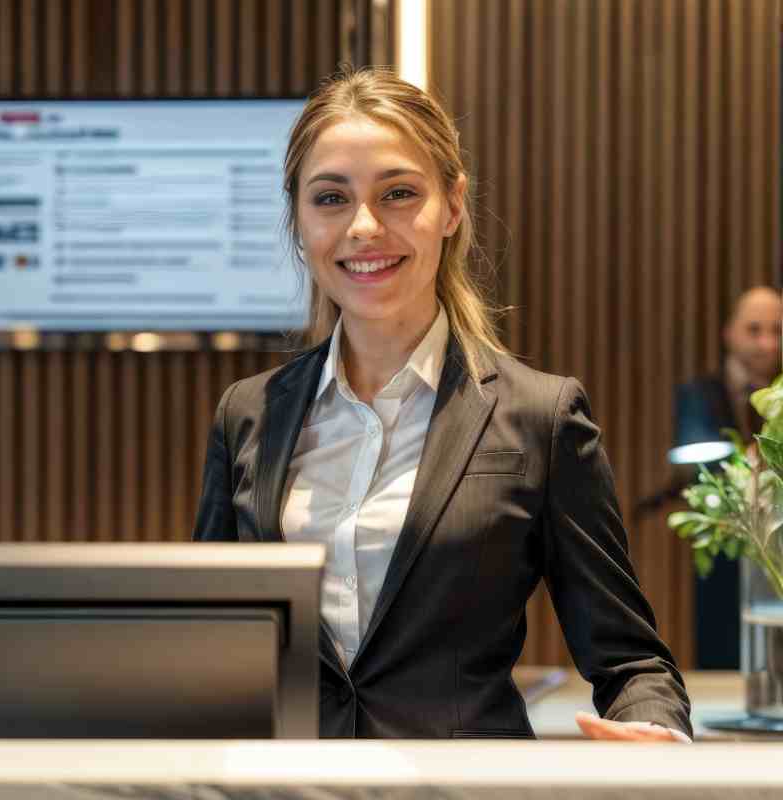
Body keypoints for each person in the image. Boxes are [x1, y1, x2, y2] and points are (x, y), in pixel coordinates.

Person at [192, 67, 691, 740]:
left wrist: (655, 734)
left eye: (399, 194)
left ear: (452, 206)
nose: (364, 227)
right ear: (300, 220)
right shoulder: (247, 415)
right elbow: (207, 640)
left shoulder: (540, 418)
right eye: (331, 198)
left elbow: (631, 662)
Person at [675, 286, 782, 669]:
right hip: (725, 560)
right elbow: (695, 467)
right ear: (730, 333)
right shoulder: (698, 394)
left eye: (777, 330)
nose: (767, 343)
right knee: (719, 656)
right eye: (754, 330)